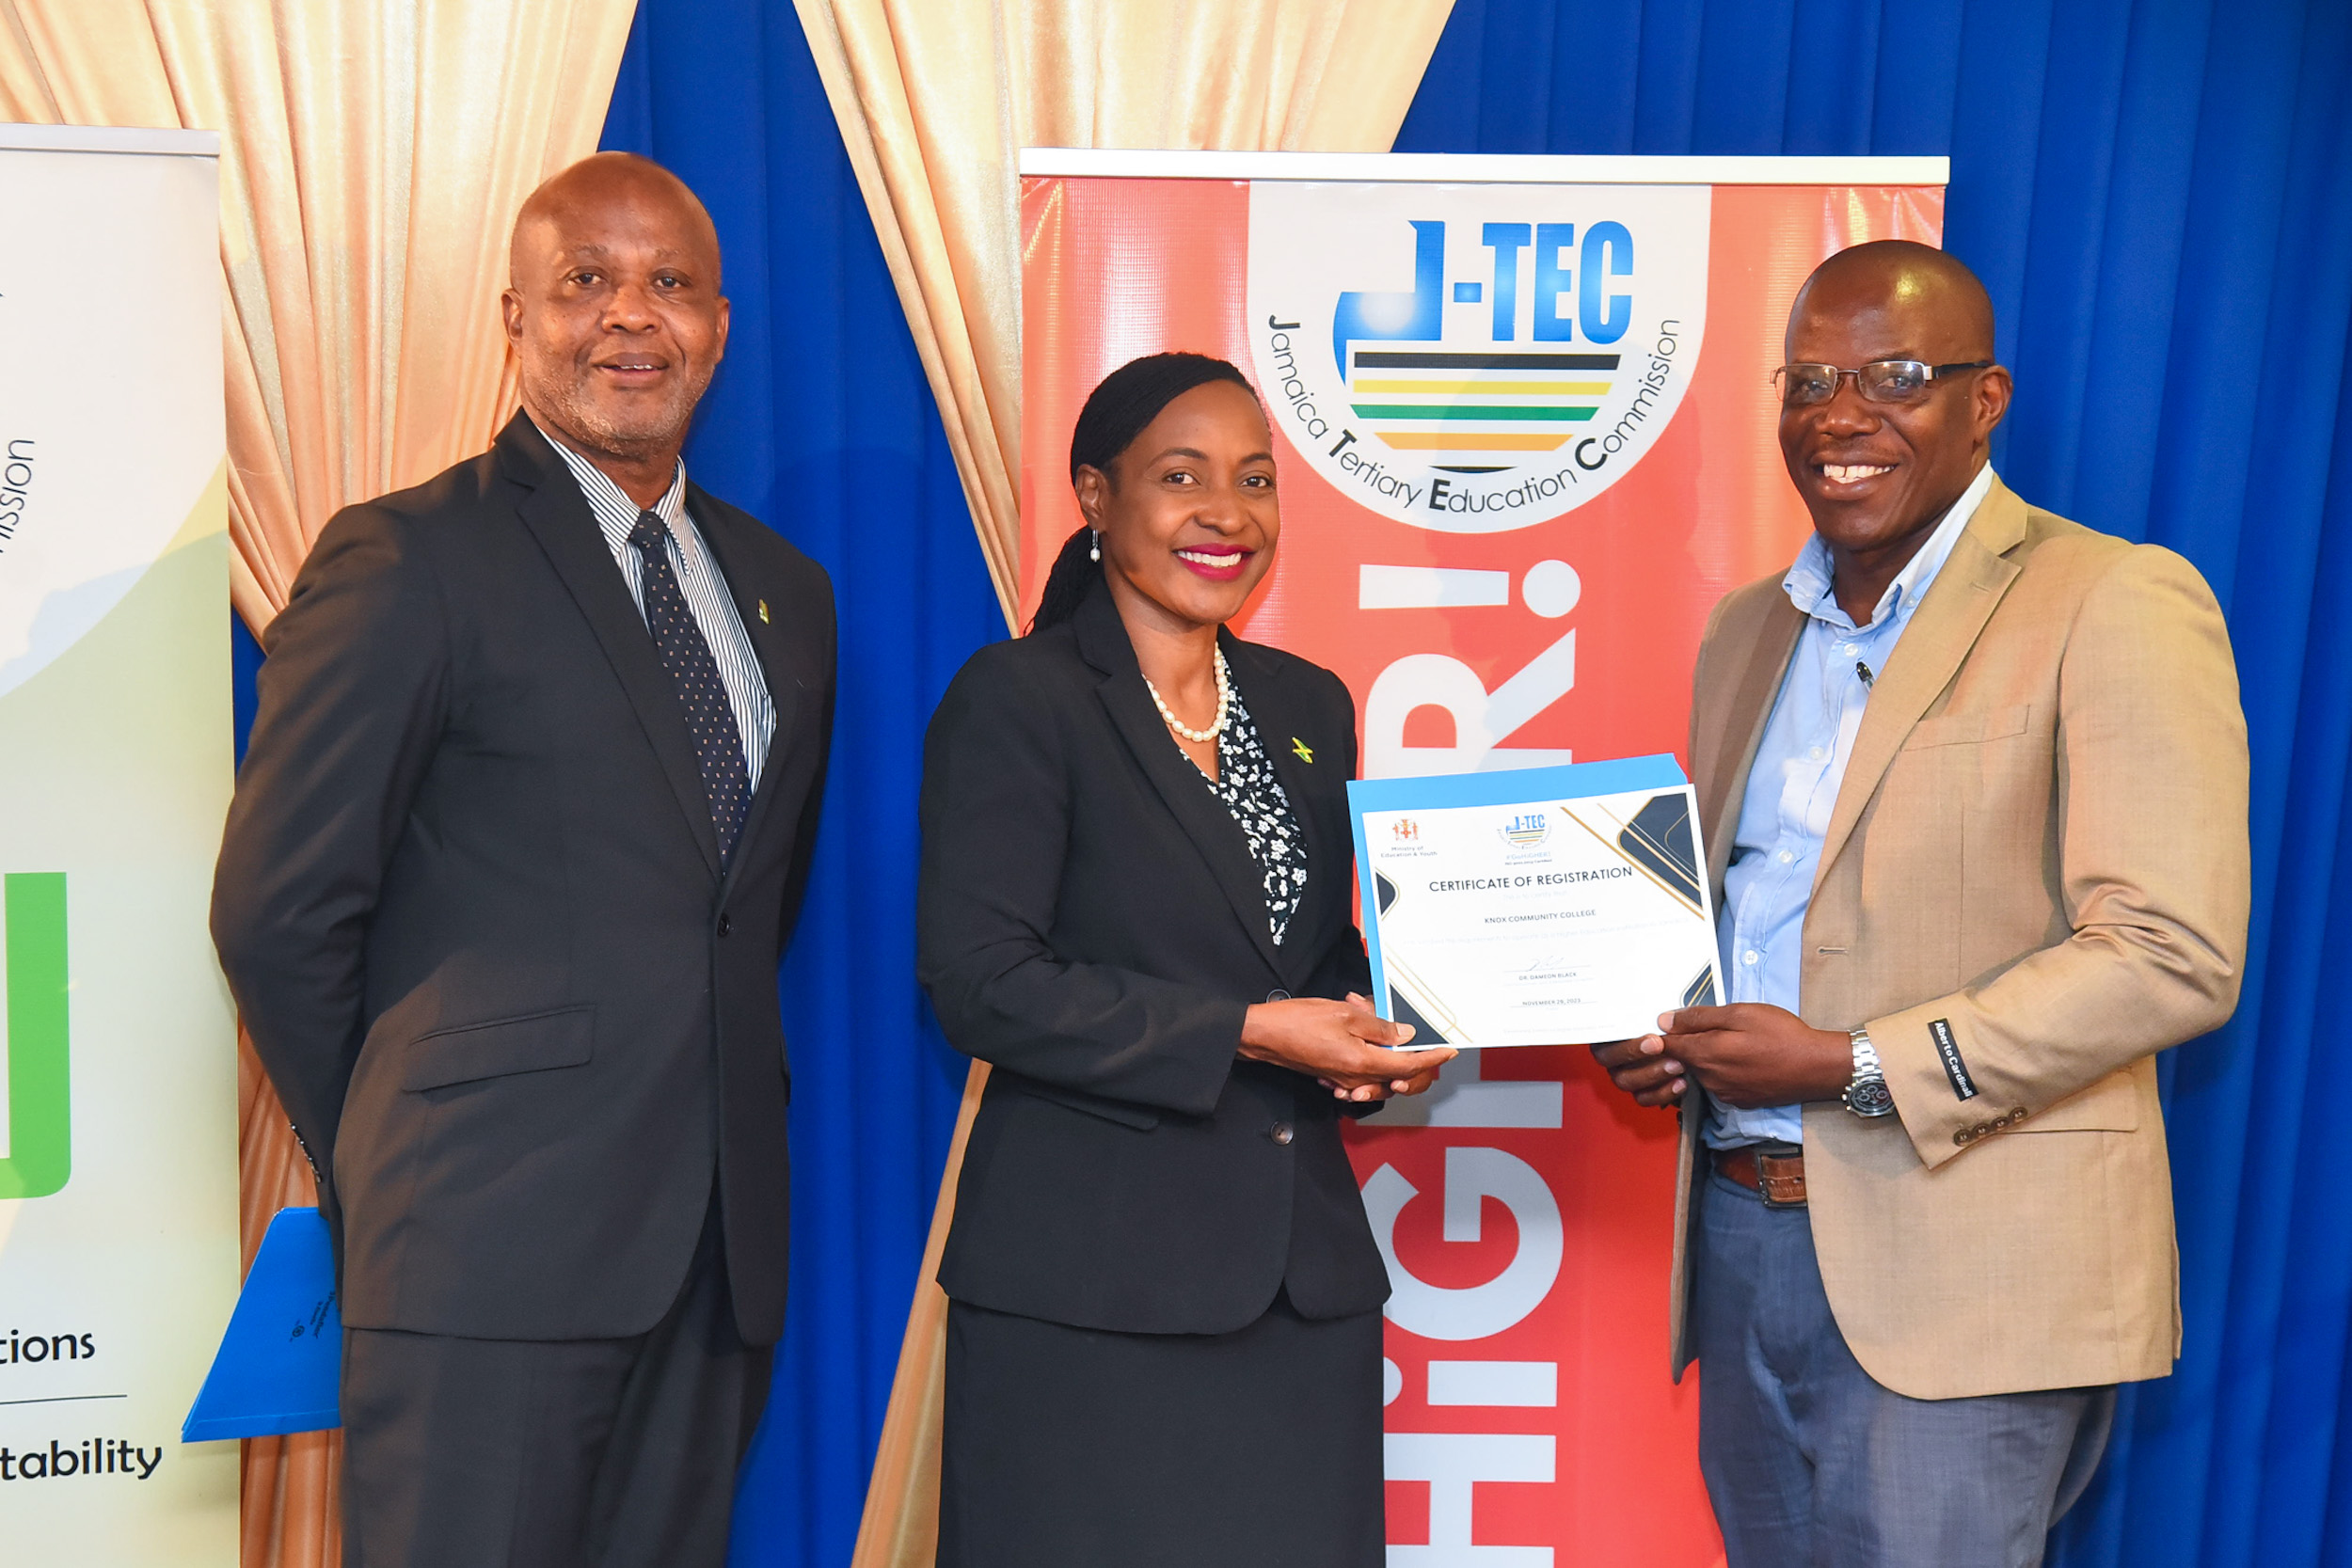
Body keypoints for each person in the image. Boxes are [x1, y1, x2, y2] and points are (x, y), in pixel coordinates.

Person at [211, 152, 835, 1568]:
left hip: (715, 1267)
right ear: (516, 318)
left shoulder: (784, 596)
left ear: (720, 328)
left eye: (669, 284)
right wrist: (405, 1135)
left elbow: (743, 913)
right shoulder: (406, 560)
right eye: (586, 283)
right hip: (478, 1251)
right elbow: (277, 911)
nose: (630, 318)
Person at [1591, 240, 2249, 1565]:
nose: (1840, 416)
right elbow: (1755, 907)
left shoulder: (2111, 598)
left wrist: (1853, 1062)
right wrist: (1670, 1029)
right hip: (1742, 1229)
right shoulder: (1745, 630)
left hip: (1970, 1257)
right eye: (1810, 380)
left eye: (1894, 377)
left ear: (1985, 400)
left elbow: (2172, 953)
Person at [916, 352, 1454, 1567]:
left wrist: (1371, 1038)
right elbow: (982, 981)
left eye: (1255, 479)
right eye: (1181, 476)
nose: (1228, 512)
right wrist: (1254, 1033)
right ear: (1096, 497)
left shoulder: (1309, 704)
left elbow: (1321, 953)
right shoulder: (1019, 699)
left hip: (1298, 1292)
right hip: (1089, 1297)